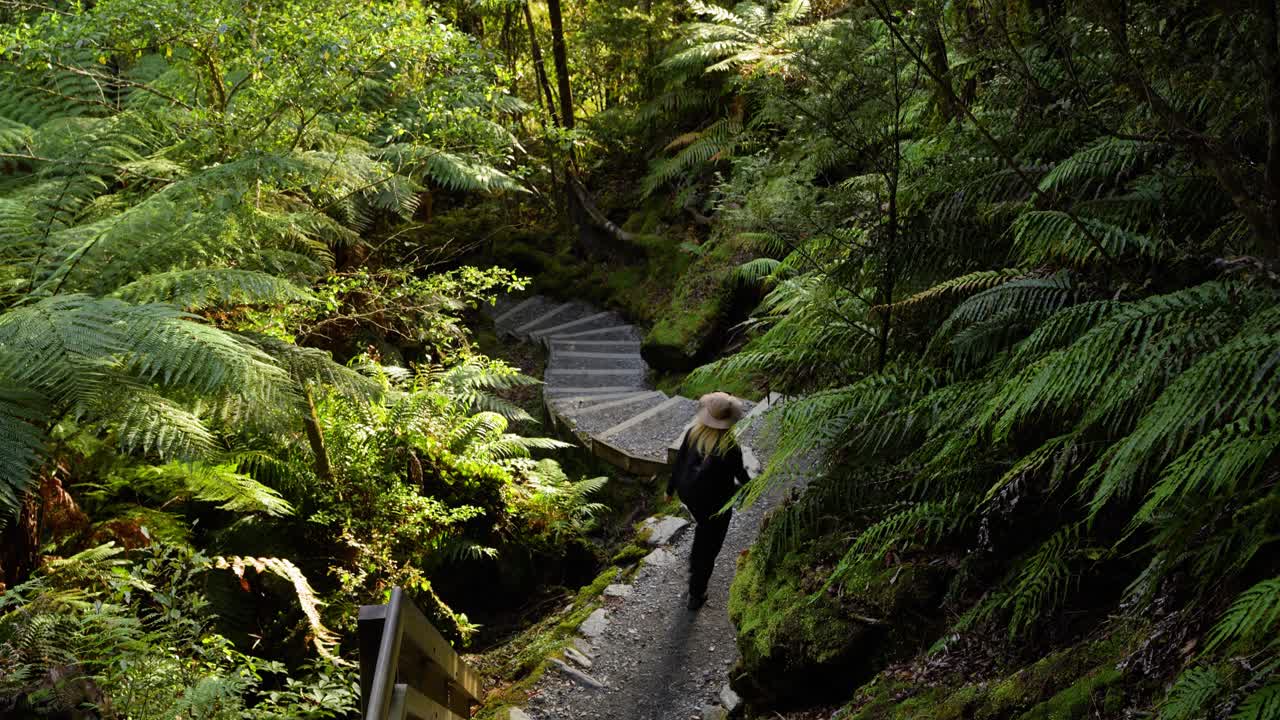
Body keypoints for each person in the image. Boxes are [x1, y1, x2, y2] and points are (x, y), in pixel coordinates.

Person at [667, 392, 751, 611]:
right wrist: (752, 487)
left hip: (690, 494)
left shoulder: (693, 433)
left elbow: (678, 463)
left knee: (703, 529)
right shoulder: (729, 447)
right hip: (715, 504)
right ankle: (696, 592)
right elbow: (740, 473)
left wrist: (669, 490)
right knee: (711, 544)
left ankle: (695, 564)